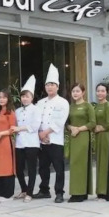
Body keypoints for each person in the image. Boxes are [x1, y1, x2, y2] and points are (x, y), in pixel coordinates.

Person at [36, 64, 69, 203]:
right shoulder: (40, 103)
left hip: (55, 139)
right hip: (42, 140)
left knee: (59, 168)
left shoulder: (63, 102)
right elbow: (36, 120)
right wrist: (40, 134)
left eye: (52, 85)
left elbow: (60, 121)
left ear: (58, 87)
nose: (50, 87)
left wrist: (46, 132)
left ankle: (59, 193)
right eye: (47, 85)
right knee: (43, 167)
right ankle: (44, 190)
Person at [14, 76, 42, 203]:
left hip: (32, 143)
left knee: (31, 169)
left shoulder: (36, 110)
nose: (25, 98)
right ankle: (24, 189)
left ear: (32, 97)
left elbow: (35, 126)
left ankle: (29, 193)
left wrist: (20, 128)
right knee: (19, 169)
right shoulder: (17, 111)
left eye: (27, 96)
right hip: (19, 143)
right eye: (23, 96)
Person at [67, 83, 95, 202]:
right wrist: (71, 128)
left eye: (77, 91)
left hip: (83, 136)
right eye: (73, 91)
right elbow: (66, 123)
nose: (75, 93)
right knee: (74, 163)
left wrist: (79, 129)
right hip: (73, 136)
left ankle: (78, 193)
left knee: (81, 163)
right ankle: (80, 192)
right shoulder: (70, 107)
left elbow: (92, 123)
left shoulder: (88, 106)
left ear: (83, 92)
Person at [0, 89, 16, 201]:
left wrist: (1, 133)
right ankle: (0, 193)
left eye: (4, 97)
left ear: (8, 99)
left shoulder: (10, 112)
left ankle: (8, 194)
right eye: (0, 97)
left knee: (7, 167)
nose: (1, 99)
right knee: (0, 166)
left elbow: (12, 129)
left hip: (6, 142)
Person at [93, 83, 109, 201]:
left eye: (103, 91)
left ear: (107, 93)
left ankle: (108, 193)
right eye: (98, 91)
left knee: (107, 164)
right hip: (98, 137)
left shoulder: (108, 106)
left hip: (107, 137)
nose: (100, 93)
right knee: (100, 163)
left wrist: (98, 128)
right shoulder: (96, 106)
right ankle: (100, 191)